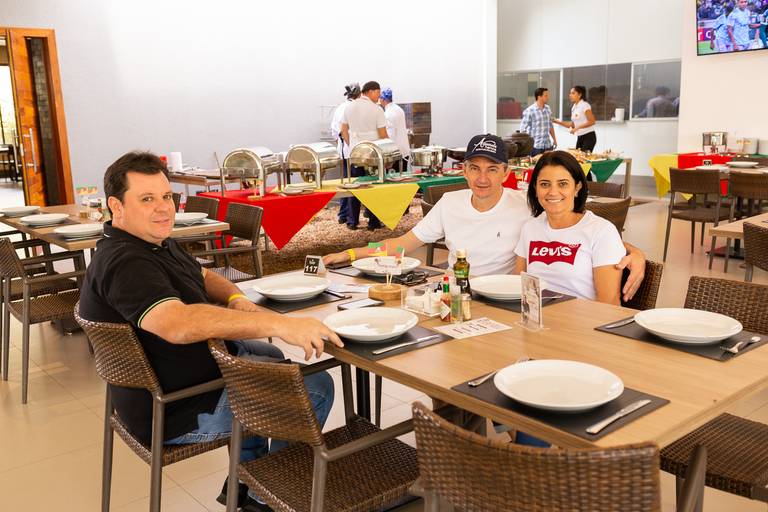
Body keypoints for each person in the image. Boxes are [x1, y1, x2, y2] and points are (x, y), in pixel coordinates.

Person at [78, 151, 342, 512]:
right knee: (315, 388)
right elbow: (177, 323)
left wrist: (235, 298)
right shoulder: (126, 262)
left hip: (180, 382)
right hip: (175, 408)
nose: (164, 208)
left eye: (166, 196)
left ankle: (246, 481)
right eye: (147, 199)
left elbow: (203, 276)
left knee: (270, 356)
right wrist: (280, 324)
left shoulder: (152, 243)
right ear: (116, 206)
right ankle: (268, 501)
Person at [324, 133, 647, 302]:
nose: (482, 178)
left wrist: (633, 251)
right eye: (475, 168)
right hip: (456, 295)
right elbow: (401, 245)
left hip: (501, 300)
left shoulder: (526, 204)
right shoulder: (449, 204)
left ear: (506, 173)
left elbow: (577, 228)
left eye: (492, 169)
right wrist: (352, 254)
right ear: (463, 171)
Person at [514, 151, 625, 304]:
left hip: (583, 317)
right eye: (545, 184)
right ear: (535, 188)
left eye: (563, 184)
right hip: (536, 317)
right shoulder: (530, 228)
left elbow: (609, 301)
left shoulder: (602, 231)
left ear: (577, 187)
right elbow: (518, 286)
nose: (553, 192)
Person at [340, 80, 388, 230]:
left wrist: (352, 145)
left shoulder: (349, 107)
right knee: (373, 187)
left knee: (355, 187)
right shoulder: (377, 109)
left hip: (355, 153)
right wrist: (387, 152)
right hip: (372, 154)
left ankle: (352, 221)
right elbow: (383, 134)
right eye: (378, 93)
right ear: (370, 91)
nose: (379, 96)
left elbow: (343, 130)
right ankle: (373, 222)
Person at [331, 82, 361, 225]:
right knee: (355, 185)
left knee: (345, 183)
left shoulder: (339, 108)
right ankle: (352, 219)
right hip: (355, 152)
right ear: (359, 94)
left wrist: (342, 144)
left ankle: (343, 215)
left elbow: (334, 131)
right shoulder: (355, 108)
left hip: (343, 151)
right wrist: (351, 145)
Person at [554, 86, 596, 153]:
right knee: (577, 156)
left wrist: (577, 128)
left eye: (573, 93)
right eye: (570, 93)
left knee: (583, 157)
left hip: (589, 136)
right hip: (580, 136)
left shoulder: (585, 105)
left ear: (579, 95)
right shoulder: (574, 107)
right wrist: (557, 122)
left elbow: (592, 121)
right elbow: (572, 124)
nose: (570, 95)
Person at [519, 87, 557, 156]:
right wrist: (526, 145)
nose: (548, 98)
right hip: (535, 147)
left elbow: (550, 126)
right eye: (546, 96)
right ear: (539, 97)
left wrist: (554, 140)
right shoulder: (529, 110)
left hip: (547, 146)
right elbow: (522, 129)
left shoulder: (548, 109)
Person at [379, 87, 411, 167]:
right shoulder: (398, 109)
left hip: (396, 154)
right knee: (403, 173)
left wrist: (388, 155)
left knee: (395, 174)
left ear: (383, 99)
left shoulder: (388, 114)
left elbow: (390, 136)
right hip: (404, 151)